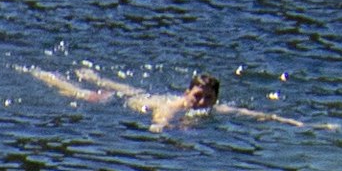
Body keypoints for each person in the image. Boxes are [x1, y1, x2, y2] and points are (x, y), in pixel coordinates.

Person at [28, 61, 297, 132]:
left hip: (143, 95)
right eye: (197, 96)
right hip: (125, 103)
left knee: (126, 86)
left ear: (215, 100)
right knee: (81, 93)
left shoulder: (213, 110)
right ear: (187, 93)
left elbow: (252, 114)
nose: (201, 102)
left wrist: (291, 122)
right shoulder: (177, 105)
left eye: (207, 98)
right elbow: (163, 114)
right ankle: (46, 75)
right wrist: (159, 127)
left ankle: (91, 74)